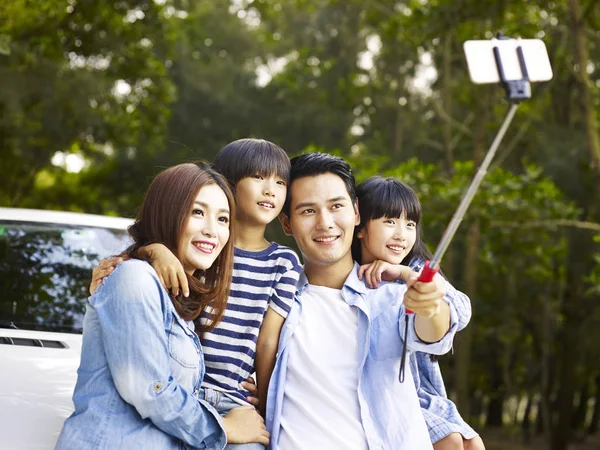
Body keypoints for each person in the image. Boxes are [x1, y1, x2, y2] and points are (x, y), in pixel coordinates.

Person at [89, 139, 301, 449]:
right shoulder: (204, 252)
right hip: (184, 389)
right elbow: (149, 294)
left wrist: (267, 405)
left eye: (280, 182)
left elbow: (268, 340)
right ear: (226, 184)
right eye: (258, 177)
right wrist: (154, 251)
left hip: (232, 396)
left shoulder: (280, 261)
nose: (270, 189)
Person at [56, 162, 269, 449]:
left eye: (222, 219)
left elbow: (176, 389)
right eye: (197, 212)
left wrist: (238, 399)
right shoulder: (134, 277)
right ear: (168, 213)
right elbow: (149, 390)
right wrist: (225, 428)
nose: (212, 230)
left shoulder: (179, 303)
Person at [266, 152, 460, 449]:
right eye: (307, 211)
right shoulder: (272, 300)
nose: (325, 223)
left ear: (356, 212)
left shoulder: (389, 295)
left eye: (336, 207)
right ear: (287, 223)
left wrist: (430, 306)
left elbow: (433, 332)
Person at [352, 176, 485, 450]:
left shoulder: (413, 272)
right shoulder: (349, 281)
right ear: (360, 224)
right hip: (385, 398)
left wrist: (405, 274)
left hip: (423, 393)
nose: (402, 234)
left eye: (410, 224)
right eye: (389, 221)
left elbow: (460, 309)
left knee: (473, 443)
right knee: (449, 441)